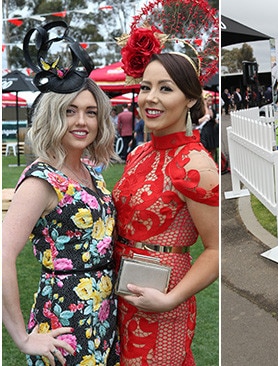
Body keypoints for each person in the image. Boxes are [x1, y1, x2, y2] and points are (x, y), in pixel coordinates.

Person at [3, 22, 120, 366]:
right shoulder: (42, 179)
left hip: (102, 315)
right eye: (70, 111)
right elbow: (4, 253)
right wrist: (22, 337)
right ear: (54, 115)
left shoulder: (90, 173)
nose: (81, 121)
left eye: (90, 112)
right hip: (64, 320)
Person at [113, 52, 220, 364]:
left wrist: (170, 299)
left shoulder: (196, 164)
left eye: (165, 88)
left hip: (163, 299)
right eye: (146, 87)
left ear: (190, 99)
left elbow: (214, 250)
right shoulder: (139, 153)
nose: (151, 98)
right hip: (120, 290)